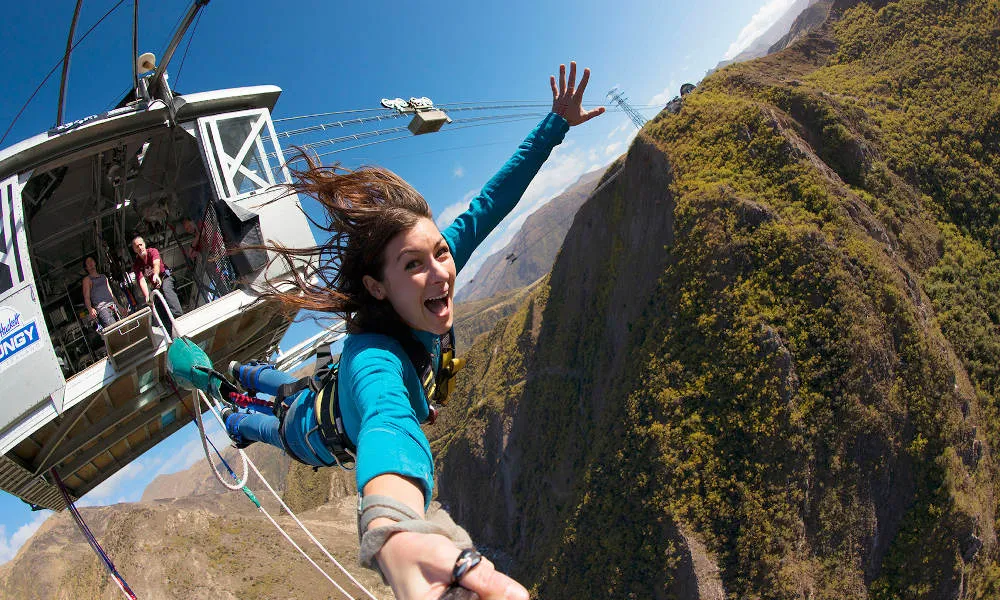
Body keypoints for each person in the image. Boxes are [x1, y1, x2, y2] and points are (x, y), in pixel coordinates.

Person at [224, 62, 604, 600]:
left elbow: (491, 202)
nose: (441, 272)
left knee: (284, 390)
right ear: (378, 287)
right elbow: (387, 423)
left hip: (327, 395)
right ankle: (238, 413)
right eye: (413, 265)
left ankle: (248, 374)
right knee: (273, 425)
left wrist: (555, 124)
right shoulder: (372, 360)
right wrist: (396, 529)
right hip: (314, 433)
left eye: (441, 253)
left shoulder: (429, 271)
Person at [132, 236, 183, 329]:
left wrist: (156, 274)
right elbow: (141, 280)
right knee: (156, 303)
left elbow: (156, 264)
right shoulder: (137, 264)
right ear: (134, 250)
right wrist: (147, 296)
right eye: (136, 246)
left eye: (140, 245)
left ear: (144, 245)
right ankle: (168, 328)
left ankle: (179, 317)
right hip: (156, 286)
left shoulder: (152, 251)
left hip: (165, 278)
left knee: (166, 289)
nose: (139, 247)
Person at [81, 256, 121, 328]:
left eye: (91, 261)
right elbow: (86, 297)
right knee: (114, 330)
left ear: (95, 263)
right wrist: (90, 309)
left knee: (123, 328)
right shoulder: (87, 279)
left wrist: (119, 306)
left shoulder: (103, 277)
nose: (90, 263)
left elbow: (111, 293)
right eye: (88, 262)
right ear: (86, 267)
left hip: (113, 306)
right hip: (103, 309)